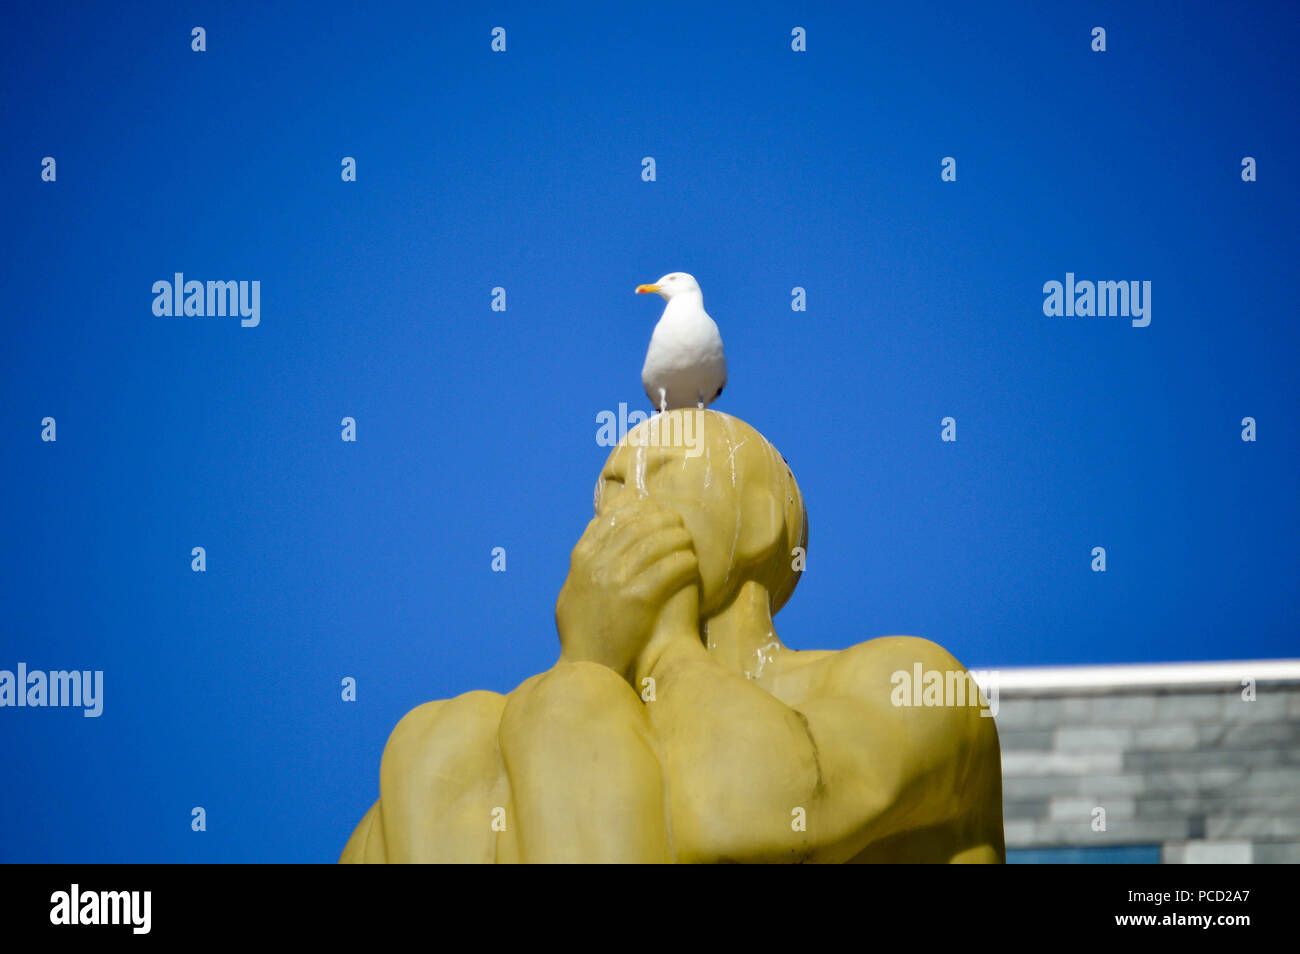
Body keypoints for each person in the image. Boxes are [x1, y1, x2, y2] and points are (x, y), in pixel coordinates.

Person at [341, 411, 1004, 863]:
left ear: (762, 525)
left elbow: (746, 811)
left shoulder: (906, 681)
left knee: (566, 704)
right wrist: (587, 666)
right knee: (441, 738)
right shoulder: (495, 740)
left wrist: (647, 652)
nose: (626, 508)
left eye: (661, 476)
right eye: (611, 488)